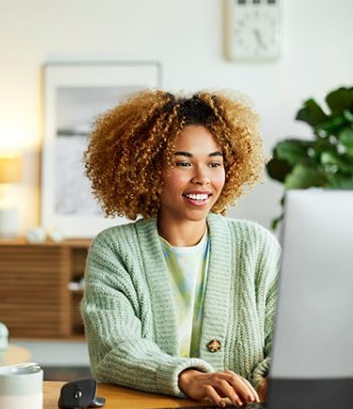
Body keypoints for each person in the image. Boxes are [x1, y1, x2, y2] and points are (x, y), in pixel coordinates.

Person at [81, 90, 280, 408]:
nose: (203, 178)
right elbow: (114, 348)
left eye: (214, 163)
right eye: (182, 163)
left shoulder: (256, 246)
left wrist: (275, 379)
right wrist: (189, 378)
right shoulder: (115, 250)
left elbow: (284, 342)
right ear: (147, 169)